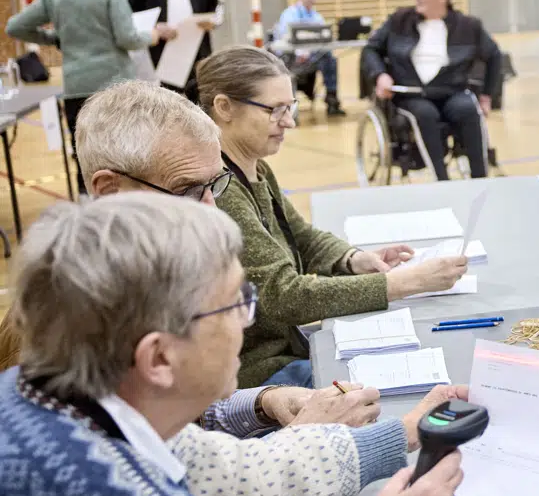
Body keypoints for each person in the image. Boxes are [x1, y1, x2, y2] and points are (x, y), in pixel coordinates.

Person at [0, 193, 468, 496]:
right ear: (158, 358)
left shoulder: (71, 407)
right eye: (235, 305)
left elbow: (237, 485)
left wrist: (401, 433)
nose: (246, 323)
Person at [66, 79, 379, 435]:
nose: (212, 210)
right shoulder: (89, 322)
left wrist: (263, 403)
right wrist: (307, 437)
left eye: (214, 186)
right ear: (110, 191)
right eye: (187, 191)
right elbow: (185, 464)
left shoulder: (153, 267)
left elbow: (192, 419)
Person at [198, 46, 468, 388]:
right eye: (275, 110)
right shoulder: (219, 191)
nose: (289, 122)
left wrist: (352, 259)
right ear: (224, 107)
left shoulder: (254, 167)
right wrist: (405, 283)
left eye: (290, 107)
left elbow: (302, 236)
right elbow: (285, 297)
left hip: (289, 346)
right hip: (262, 370)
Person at [5, 0, 164, 186]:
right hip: (115, 86)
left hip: (76, 87)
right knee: (125, 152)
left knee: (86, 157)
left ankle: (87, 203)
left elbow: (15, 27)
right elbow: (127, 38)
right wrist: (152, 35)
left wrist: (55, 38)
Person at [362, 0, 502, 180]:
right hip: (412, 94)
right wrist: (380, 75)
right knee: (425, 114)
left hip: (451, 91)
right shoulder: (399, 20)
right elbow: (370, 49)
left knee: (468, 109)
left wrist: (486, 96)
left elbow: (494, 56)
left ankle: (480, 179)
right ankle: (441, 180)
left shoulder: (468, 26)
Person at [273, 0, 346, 117]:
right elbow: (284, 39)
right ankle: (291, 107)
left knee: (329, 58)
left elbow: (324, 38)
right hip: (292, 59)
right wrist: (300, 53)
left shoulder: (317, 16)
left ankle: (332, 100)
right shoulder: (290, 14)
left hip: (312, 58)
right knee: (322, 57)